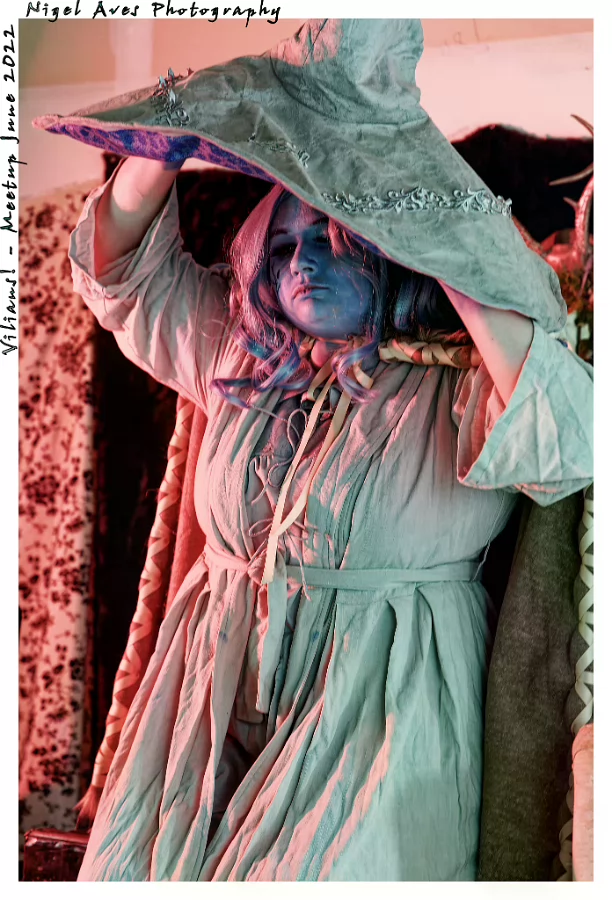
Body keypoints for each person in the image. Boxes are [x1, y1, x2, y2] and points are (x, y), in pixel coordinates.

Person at [39, 19, 593, 880]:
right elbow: (118, 275)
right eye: (285, 246)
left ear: (390, 254)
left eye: (336, 242)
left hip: (378, 714)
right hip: (203, 704)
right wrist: (174, 131)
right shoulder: (239, 353)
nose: (304, 264)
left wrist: (429, 227)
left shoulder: (462, 380)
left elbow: (568, 442)